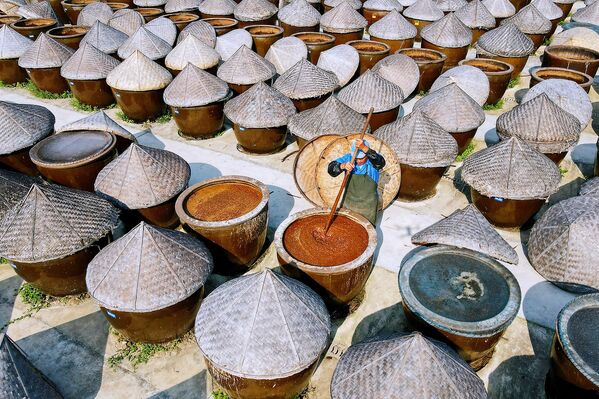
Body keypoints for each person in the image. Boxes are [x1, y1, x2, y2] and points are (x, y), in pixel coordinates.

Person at [327, 139, 385, 225]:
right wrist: (342, 166)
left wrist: (364, 148)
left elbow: (381, 162)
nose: (358, 161)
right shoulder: (349, 158)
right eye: (356, 158)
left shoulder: (372, 161)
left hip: (367, 205)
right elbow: (331, 169)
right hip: (349, 202)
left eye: (361, 158)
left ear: (367, 154)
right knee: (344, 225)